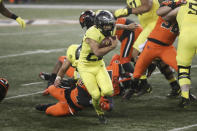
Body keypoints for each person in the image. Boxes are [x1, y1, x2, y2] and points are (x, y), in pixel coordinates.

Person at [114, 0, 181, 97]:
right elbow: (134, 8)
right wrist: (117, 13)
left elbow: (147, 7)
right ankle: (174, 85)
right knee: (159, 59)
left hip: (155, 25)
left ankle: (143, 84)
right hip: (148, 27)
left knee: (136, 53)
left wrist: (127, 11)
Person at [76, 10, 118, 124]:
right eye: (106, 25)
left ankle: (104, 101)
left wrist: (127, 26)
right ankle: (100, 113)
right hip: (85, 67)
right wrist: (112, 47)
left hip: (99, 65)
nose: (109, 27)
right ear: (99, 24)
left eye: (110, 24)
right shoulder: (91, 33)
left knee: (109, 91)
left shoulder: (109, 28)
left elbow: (115, 25)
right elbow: (97, 52)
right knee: (95, 95)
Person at [36, 78, 113, 116]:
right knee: (51, 88)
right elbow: (81, 100)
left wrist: (107, 105)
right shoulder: (86, 81)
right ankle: (48, 90)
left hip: (70, 107)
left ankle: (46, 106)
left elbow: (110, 104)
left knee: (48, 111)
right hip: (65, 94)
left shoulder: (105, 89)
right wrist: (96, 102)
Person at [175, 0, 197, 107]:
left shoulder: (182, 3)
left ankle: (185, 97)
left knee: (183, 68)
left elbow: (163, 14)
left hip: (186, 36)